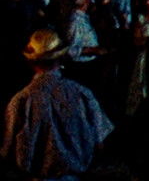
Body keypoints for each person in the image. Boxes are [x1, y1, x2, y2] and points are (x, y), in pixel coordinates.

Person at [2, 29, 114, 180]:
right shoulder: (82, 94)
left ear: (31, 62)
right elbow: (101, 142)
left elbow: (7, 150)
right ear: (61, 58)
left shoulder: (21, 101)